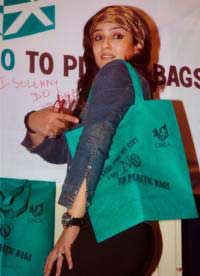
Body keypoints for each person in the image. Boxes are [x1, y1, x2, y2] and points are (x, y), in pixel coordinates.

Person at [22, 5, 157, 276]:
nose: (105, 44)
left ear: (138, 44)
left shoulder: (116, 72)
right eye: (98, 37)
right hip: (128, 226)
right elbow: (65, 153)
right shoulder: (123, 84)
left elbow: (95, 144)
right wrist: (33, 123)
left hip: (105, 223)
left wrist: (72, 222)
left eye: (117, 36)